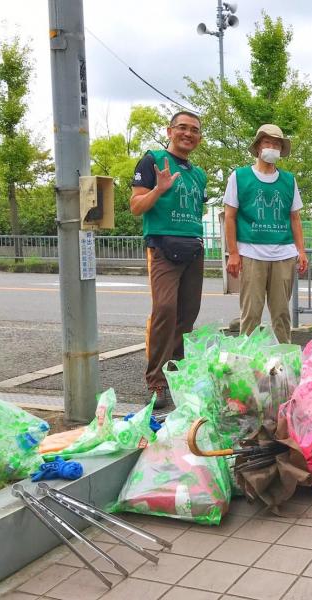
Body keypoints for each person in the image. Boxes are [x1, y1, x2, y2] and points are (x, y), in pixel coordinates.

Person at [130, 111, 208, 408]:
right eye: (183, 128)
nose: (189, 134)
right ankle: (156, 381)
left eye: (195, 130)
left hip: (193, 247)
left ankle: (175, 372)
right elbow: (136, 207)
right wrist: (159, 189)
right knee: (164, 309)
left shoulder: (198, 174)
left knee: (187, 315)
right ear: (170, 131)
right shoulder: (152, 160)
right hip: (162, 246)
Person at [223, 124, 309, 343]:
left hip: (283, 253)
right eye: (267, 143)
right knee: (251, 314)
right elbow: (230, 216)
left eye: (277, 144)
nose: (272, 147)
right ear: (258, 147)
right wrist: (233, 253)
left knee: (281, 313)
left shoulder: (289, 180)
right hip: (251, 253)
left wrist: (301, 251)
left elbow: (295, 218)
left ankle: (284, 363)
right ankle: (247, 362)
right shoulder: (240, 176)